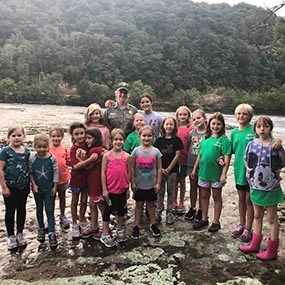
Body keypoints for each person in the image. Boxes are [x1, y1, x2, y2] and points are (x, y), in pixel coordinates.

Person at [240, 115, 285, 261]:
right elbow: (247, 162)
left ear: (270, 128)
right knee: (257, 215)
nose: (262, 129)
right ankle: (255, 244)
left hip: (271, 188)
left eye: (265, 126)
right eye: (259, 126)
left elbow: (282, 162)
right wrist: (250, 179)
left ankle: (272, 251)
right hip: (255, 187)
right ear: (255, 129)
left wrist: (279, 141)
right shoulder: (251, 145)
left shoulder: (276, 145)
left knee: (272, 218)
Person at [191, 112, 231, 232]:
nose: (215, 126)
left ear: (222, 125)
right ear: (209, 124)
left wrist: (224, 174)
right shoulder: (205, 138)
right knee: (203, 196)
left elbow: (227, 158)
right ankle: (204, 218)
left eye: (218, 124)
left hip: (216, 175)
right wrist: (194, 169)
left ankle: (216, 221)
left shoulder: (224, 140)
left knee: (216, 197)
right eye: (213, 123)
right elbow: (199, 155)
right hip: (203, 173)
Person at [0, 126, 30, 250]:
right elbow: (0, 169)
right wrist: (4, 187)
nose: (16, 138)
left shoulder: (27, 151)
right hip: (10, 187)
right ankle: (11, 236)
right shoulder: (5, 151)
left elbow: (29, 168)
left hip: (24, 186)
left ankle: (20, 233)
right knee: (10, 211)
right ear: (9, 138)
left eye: (19, 135)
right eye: (13, 136)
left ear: (24, 137)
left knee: (22, 209)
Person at [101, 129, 131, 247]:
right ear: (111, 141)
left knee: (121, 211)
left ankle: (119, 229)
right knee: (107, 211)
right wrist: (104, 188)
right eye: (116, 139)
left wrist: (128, 188)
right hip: (110, 189)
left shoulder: (127, 156)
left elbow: (128, 172)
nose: (118, 142)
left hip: (122, 189)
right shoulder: (107, 156)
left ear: (124, 141)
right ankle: (105, 233)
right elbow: (103, 173)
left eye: (121, 139)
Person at [130, 126, 162, 239]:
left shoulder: (156, 152)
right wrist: (132, 182)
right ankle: (136, 225)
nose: (147, 138)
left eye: (149, 136)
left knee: (151, 205)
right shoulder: (135, 151)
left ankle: (153, 224)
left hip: (151, 184)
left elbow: (159, 168)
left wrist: (158, 183)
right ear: (139, 136)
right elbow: (132, 168)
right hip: (139, 184)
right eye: (144, 135)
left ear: (153, 137)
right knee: (138, 205)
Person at [74, 128, 105, 240]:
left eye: (89, 138)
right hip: (94, 182)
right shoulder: (101, 149)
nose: (86, 140)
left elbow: (87, 167)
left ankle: (104, 229)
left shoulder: (94, 151)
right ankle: (94, 226)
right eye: (86, 138)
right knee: (92, 205)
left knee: (101, 206)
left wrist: (78, 158)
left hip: (95, 182)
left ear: (95, 139)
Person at [29, 134, 58, 249]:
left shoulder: (52, 158)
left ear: (48, 146)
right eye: (39, 147)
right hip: (37, 189)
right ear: (35, 147)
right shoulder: (32, 158)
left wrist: (55, 186)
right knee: (39, 208)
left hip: (49, 189)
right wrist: (34, 185)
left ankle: (51, 231)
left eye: (44, 147)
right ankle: (41, 228)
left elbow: (56, 173)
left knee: (49, 209)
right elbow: (31, 172)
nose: (42, 149)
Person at [154, 116, 183, 225]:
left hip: (173, 170)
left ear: (175, 126)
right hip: (160, 170)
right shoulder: (159, 140)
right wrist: (160, 168)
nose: (169, 126)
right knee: (160, 191)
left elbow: (177, 156)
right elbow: (156, 156)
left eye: (171, 124)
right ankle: (158, 211)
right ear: (163, 126)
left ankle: (169, 212)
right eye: (167, 124)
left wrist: (169, 168)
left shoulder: (177, 140)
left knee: (171, 191)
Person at [185, 109, 207, 221]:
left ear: (204, 118)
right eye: (194, 119)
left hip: (204, 165)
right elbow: (189, 145)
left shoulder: (209, 134)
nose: (196, 120)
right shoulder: (191, 133)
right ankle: (192, 207)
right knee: (193, 186)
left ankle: (202, 210)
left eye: (198, 118)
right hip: (191, 162)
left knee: (202, 188)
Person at [69, 122, 89, 238]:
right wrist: (83, 160)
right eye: (77, 134)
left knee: (84, 200)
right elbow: (75, 166)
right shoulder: (73, 149)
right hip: (76, 178)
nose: (80, 136)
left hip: (87, 178)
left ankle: (82, 220)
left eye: (82, 133)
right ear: (72, 136)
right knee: (74, 200)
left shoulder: (88, 145)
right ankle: (74, 223)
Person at [49, 127, 70, 230]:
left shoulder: (64, 149)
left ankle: (62, 215)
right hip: (50, 180)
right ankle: (50, 217)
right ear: (50, 137)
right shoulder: (47, 149)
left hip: (63, 178)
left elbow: (69, 161)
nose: (56, 138)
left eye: (58, 136)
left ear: (62, 137)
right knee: (51, 199)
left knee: (62, 197)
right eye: (53, 136)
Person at [174, 106, 193, 214]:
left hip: (185, 159)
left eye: (184, 114)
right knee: (175, 182)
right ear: (177, 116)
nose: (182, 116)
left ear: (188, 116)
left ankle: (181, 201)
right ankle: (174, 201)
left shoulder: (190, 129)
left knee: (182, 181)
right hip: (175, 160)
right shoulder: (174, 128)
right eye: (180, 114)